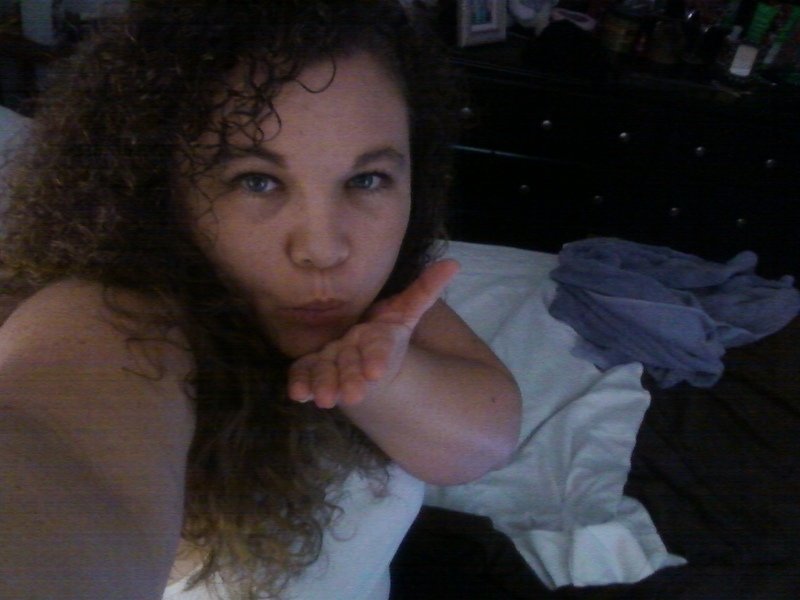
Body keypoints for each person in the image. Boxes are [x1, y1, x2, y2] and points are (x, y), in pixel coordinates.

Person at [0, 1, 522, 598]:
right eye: (257, 180)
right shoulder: (113, 317)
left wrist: (382, 376)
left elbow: (484, 444)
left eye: (367, 179)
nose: (324, 249)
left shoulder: (390, 303)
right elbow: (59, 455)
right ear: (157, 185)